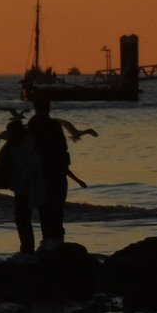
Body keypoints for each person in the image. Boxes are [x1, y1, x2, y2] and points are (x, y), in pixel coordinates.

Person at [27, 97, 93, 250]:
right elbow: (60, 149)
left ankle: (54, 239)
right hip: (47, 172)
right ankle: (51, 239)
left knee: (52, 207)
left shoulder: (42, 124)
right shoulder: (41, 124)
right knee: (50, 207)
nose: (44, 111)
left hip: (51, 171)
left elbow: (60, 149)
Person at [0, 115, 43, 261]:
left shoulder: (26, 145)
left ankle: (28, 250)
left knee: (23, 218)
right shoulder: (14, 144)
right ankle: (28, 249)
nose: (8, 135)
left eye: (10, 132)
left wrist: (24, 179)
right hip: (21, 187)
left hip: (29, 187)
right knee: (22, 219)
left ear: (17, 132)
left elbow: (33, 165)